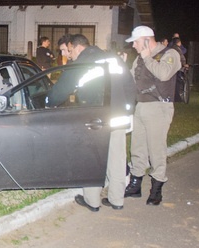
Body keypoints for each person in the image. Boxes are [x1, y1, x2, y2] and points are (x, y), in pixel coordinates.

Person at [47, 34, 136, 212]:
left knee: (92, 158)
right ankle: (117, 200)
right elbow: (130, 84)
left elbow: (61, 90)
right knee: (117, 158)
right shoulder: (112, 57)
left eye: (68, 51)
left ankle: (92, 200)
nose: (68, 55)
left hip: (96, 118)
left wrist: (47, 102)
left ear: (76, 47)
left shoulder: (82, 62)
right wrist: (128, 109)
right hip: (118, 116)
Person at [124, 26, 181, 206]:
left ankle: (157, 189)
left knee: (156, 149)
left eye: (136, 41)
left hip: (159, 107)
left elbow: (164, 74)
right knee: (137, 147)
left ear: (147, 40)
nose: (133, 45)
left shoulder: (170, 53)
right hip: (141, 106)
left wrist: (147, 56)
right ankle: (135, 186)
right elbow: (132, 79)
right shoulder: (140, 58)